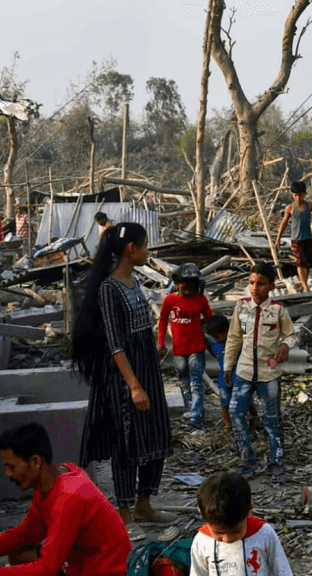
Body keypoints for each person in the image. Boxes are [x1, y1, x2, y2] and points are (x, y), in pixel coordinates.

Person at [71, 221, 175, 543]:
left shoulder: (133, 282)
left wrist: (148, 376)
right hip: (122, 378)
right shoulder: (109, 289)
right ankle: (125, 512)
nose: (148, 252)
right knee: (126, 442)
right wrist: (133, 385)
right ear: (131, 249)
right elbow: (116, 343)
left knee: (157, 432)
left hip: (146, 371)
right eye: (145, 246)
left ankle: (145, 504)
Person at [0, 423, 131, 576]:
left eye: (12, 467)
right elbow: (28, 533)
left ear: (35, 462)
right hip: (81, 563)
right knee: (19, 555)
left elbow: (47, 569)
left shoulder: (69, 496)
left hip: (106, 571)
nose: (8, 474)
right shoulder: (50, 483)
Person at [223, 263, 298, 483]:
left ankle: (276, 463)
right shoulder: (241, 307)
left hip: (269, 374)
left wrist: (285, 345)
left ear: (271, 286)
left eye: (261, 284)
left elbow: (291, 334)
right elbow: (234, 338)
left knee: (272, 419)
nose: (255, 288)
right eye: (251, 283)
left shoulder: (278, 309)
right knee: (236, 413)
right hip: (244, 372)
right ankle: (247, 460)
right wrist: (228, 365)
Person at [190, 472, 292, 576]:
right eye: (219, 533)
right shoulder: (201, 542)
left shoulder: (264, 534)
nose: (227, 539)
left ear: (249, 511)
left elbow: (283, 571)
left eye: (235, 531)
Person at [157, 263, 214, 432]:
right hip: (179, 350)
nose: (187, 292)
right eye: (183, 288)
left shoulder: (200, 299)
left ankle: (196, 417)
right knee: (184, 383)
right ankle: (192, 411)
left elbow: (210, 319)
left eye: (191, 288)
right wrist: (160, 343)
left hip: (197, 348)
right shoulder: (170, 300)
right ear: (176, 285)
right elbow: (162, 321)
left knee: (196, 384)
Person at [205, 315, 259, 431]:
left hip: (240, 378)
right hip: (223, 380)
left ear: (226, 332)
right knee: (225, 402)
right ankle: (227, 424)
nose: (216, 338)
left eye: (217, 336)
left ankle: (254, 417)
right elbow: (207, 343)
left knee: (247, 400)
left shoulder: (238, 344)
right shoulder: (217, 346)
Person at [274, 180, 312, 292]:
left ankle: (305, 283)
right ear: (293, 195)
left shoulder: (310, 206)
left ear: (304, 194)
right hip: (296, 239)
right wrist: (278, 239)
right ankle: (305, 286)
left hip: (308, 238)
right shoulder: (290, 208)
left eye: (300, 195)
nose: (298, 198)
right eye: (295, 195)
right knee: (299, 262)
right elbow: (283, 224)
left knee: (307, 263)